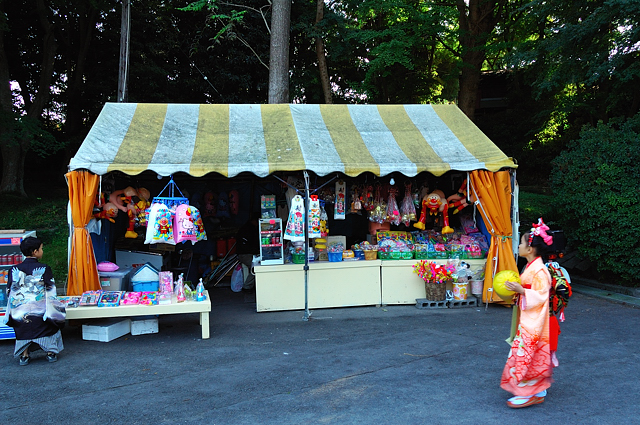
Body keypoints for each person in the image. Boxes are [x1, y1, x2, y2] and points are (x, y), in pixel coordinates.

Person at [500, 220, 554, 408]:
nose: (519, 246)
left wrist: (522, 291)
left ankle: (526, 393)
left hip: (534, 324)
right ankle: (537, 390)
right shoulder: (534, 267)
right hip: (530, 319)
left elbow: (541, 296)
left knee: (526, 356)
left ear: (530, 249)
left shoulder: (539, 271)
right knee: (531, 356)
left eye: (522, 243)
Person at [5, 237, 64, 365]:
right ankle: (50, 352)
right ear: (35, 251)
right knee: (52, 319)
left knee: (23, 326)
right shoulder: (44, 268)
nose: (42, 251)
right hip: (40, 312)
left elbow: (9, 292)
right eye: (41, 249)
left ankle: (24, 355)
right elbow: (51, 291)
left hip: (19, 314)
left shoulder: (13, 269)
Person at [235, 212, 260, 290]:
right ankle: (247, 286)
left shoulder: (250, 228)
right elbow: (245, 247)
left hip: (250, 253)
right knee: (256, 267)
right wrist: (257, 251)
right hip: (245, 254)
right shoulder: (247, 230)